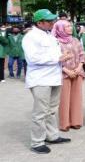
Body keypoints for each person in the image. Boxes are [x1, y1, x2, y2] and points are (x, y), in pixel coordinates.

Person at [23, 9, 72, 154]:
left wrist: (63, 56)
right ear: (39, 22)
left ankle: (52, 135)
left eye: (53, 20)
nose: (52, 23)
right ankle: (37, 142)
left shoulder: (50, 36)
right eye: (49, 21)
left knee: (51, 110)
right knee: (40, 112)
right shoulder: (31, 37)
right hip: (40, 79)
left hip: (54, 77)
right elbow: (33, 58)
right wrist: (58, 59)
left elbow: (54, 54)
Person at [52, 20, 85, 131]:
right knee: (64, 99)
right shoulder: (55, 42)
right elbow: (55, 59)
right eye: (67, 26)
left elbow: (82, 55)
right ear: (60, 28)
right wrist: (67, 70)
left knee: (77, 98)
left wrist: (79, 67)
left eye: (70, 26)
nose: (70, 28)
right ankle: (65, 123)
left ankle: (76, 121)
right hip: (63, 73)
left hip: (77, 72)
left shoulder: (75, 40)